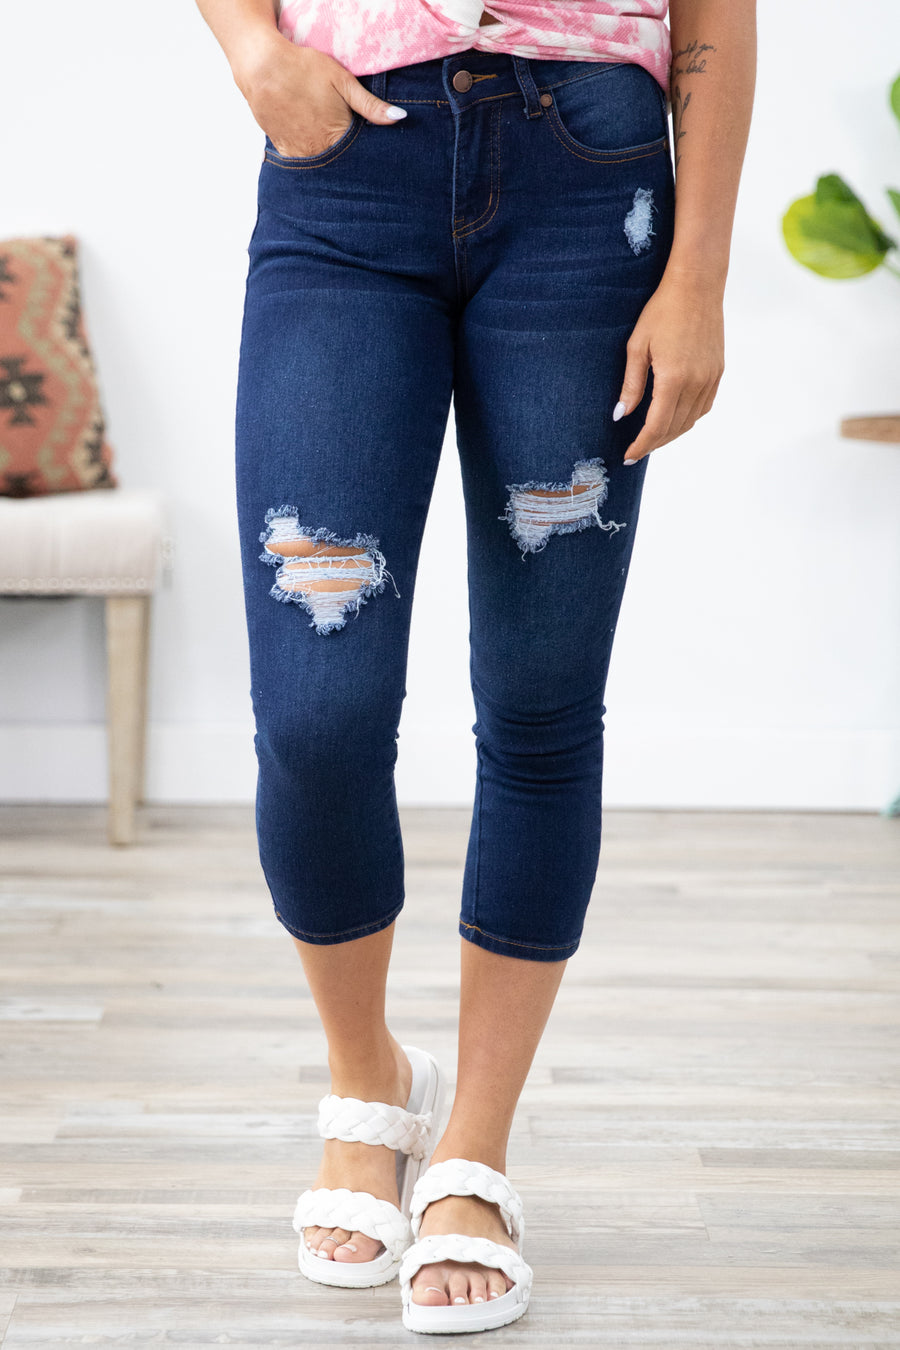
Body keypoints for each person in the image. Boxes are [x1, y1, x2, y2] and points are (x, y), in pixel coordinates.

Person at [195, 0, 756, 1334]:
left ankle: (474, 1153)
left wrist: (699, 277)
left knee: (540, 699)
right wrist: (252, 53)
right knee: (315, 715)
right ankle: (369, 1085)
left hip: (593, 180)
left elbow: (718, 15)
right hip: (347, 167)